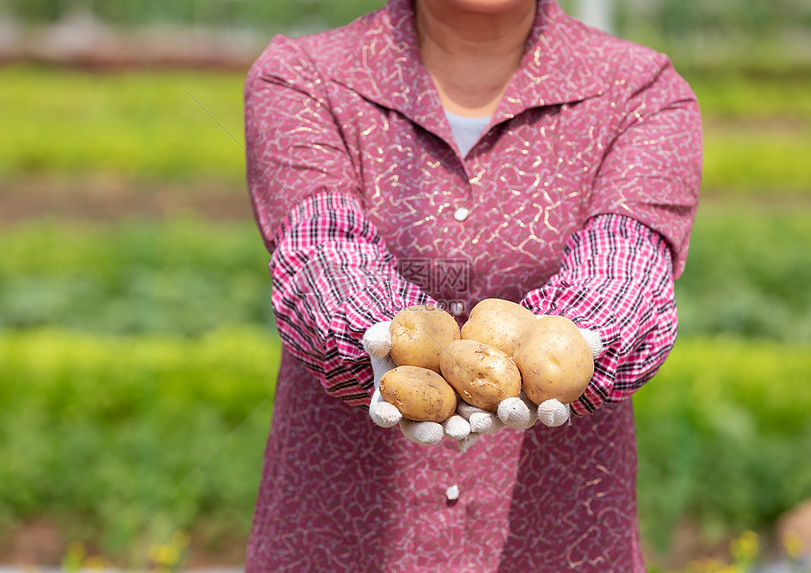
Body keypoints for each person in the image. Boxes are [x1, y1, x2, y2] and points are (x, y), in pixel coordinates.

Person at [243, 0, 702, 570]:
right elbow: (323, 250)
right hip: (340, 540)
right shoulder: (303, 77)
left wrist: (579, 337)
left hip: (561, 543)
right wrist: (381, 335)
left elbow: (626, 259)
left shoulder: (643, 92)